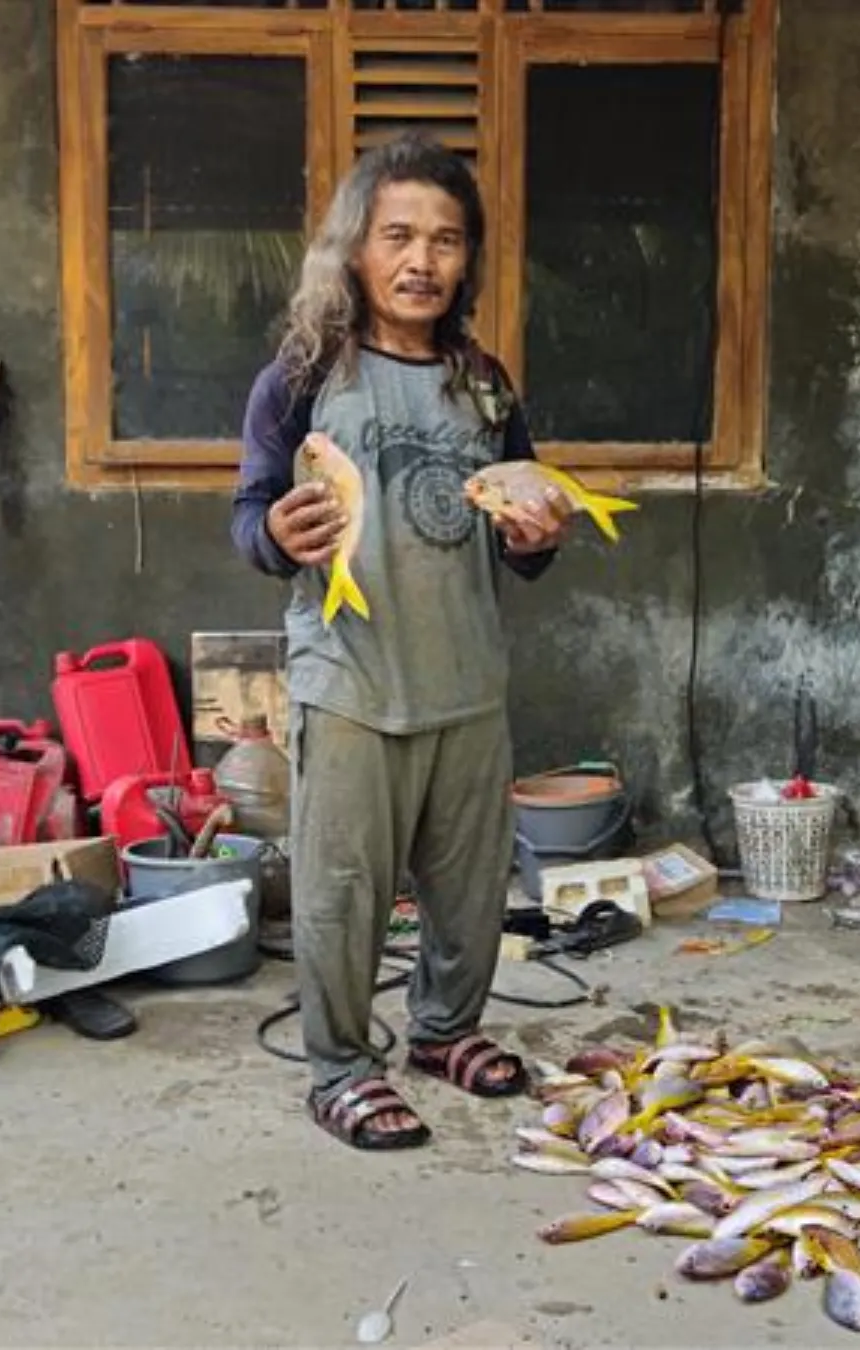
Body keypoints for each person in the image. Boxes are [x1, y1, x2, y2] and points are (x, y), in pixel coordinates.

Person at [230, 136, 573, 1151]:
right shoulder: (301, 378)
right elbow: (251, 512)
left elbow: (520, 537)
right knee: (342, 889)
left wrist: (536, 536)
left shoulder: (486, 382)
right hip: (351, 679)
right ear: (356, 249)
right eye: (398, 236)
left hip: (466, 675)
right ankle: (339, 1065)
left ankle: (445, 1033)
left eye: (446, 240)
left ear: (468, 260)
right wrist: (273, 535)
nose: (421, 260)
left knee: (469, 889)